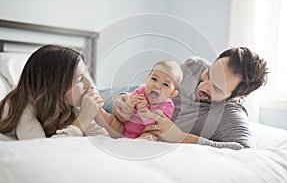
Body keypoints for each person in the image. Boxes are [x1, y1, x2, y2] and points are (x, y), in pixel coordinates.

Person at [113, 47, 269, 150]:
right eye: (208, 74)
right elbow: (158, 82)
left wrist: (181, 137)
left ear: (238, 95)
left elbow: (247, 152)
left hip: (139, 125)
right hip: (138, 92)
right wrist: (124, 98)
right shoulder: (195, 66)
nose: (202, 86)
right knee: (94, 93)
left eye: (216, 88)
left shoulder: (231, 115)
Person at [0, 45, 108, 140]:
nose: (89, 83)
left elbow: (104, 139)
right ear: (56, 86)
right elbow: (42, 149)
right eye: (80, 79)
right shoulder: (21, 106)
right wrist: (83, 119)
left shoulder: (71, 104)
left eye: (85, 75)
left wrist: (98, 115)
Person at [97, 60, 183, 140]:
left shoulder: (167, 106)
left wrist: (143, 110)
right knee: (112, 121)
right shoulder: (141, 91)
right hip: (124, 129)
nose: (157, 86)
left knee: (151, 136)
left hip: (145, 132)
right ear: (147, 79)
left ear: (172, 94)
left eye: (165, 84)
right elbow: (126, 112)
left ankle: (139, 142)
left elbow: (156, 126)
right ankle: (97, 111)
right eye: (154, 79)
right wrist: (130, 103)